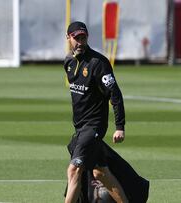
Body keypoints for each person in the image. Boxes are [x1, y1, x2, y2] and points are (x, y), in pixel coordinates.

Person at [63, 21, 128, 203]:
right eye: (77, 38)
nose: (80, 42)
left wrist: (120, 126)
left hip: (94, 126)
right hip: (81, 126)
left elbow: (115, 94)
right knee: (100, 172)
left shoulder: (98, 63)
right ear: (68, 38)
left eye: (83, 37)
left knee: (73, 169)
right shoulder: (69, 62)